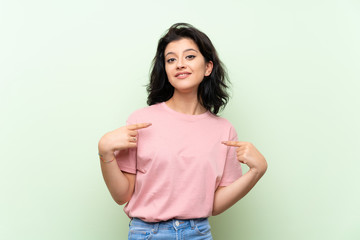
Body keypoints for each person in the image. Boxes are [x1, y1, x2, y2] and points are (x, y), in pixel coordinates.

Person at [98, 23, 268, 240]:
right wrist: (104, 151)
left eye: (189, 56)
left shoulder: (224, 130)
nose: (179, 64)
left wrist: (257, 172)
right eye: (171, 59)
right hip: (147, 233)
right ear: (166, 70)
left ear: (208, 67)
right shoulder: (142, 120)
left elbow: (213, 204)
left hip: (198, 233)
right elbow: (121, 195)